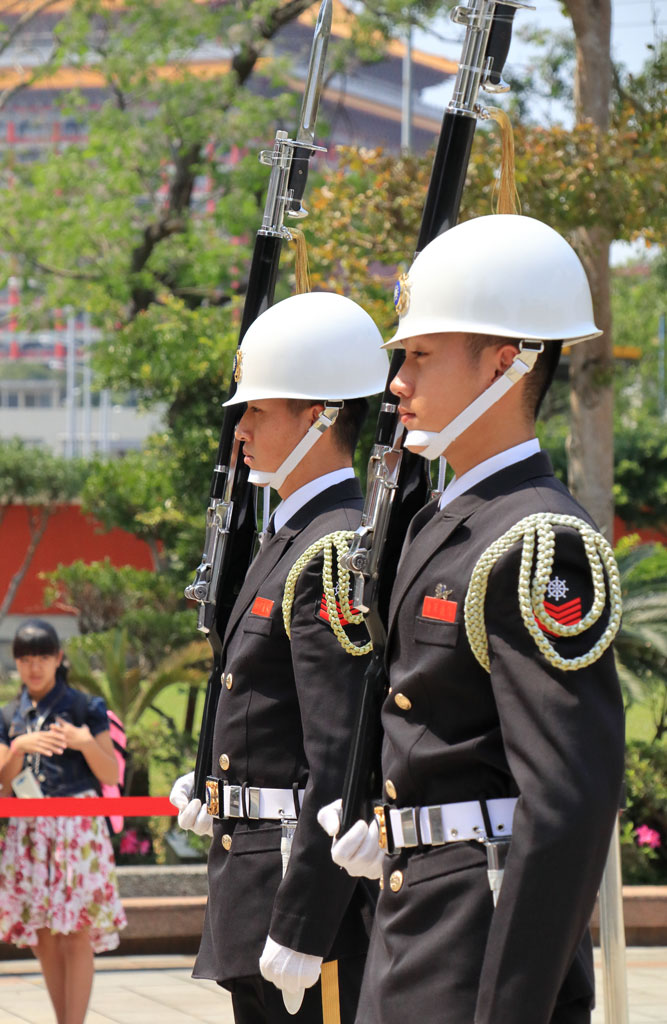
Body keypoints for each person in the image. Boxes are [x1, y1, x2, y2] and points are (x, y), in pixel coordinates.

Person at [319, 215, 625, 1024]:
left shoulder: (538, 540)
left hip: (479, 940)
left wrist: (509, 1006)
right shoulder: (443, 521)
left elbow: (565, 803)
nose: (396, 382)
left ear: (504, 363)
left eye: (420, 355)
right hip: (416, 917)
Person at [170, 290, 389, 1023]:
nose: (240, 431)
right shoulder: (289, 538)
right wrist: (217, 779)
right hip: (255, 877)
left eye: (257, 411)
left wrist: (303, 923)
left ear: (319, 417)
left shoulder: (332, 547)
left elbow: (340, 758)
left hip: (301, 890)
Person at [0, 619, 127, 1024]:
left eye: (43, 657)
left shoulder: (85, 707)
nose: (34, 667)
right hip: (30, 830)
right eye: (26, 659)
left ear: (58, 658)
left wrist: (84, 741)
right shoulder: (7, 715)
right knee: (43, 932)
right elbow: (2, 786)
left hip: (78, 828)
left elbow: (110, 774)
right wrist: (19, 747)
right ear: (16, 662)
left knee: (76, 930)